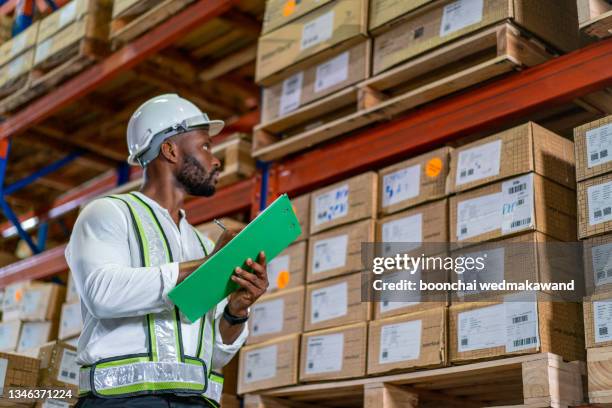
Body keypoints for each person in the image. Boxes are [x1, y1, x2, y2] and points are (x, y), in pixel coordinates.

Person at [66, 94, 268, 407]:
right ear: (170, 150)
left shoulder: (201, 243)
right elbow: (102, 294)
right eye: (204, 146)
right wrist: (207, 266)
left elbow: (213, 355)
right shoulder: (108, 213)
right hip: (121, 402)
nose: (215, 161)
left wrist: (236, 311)